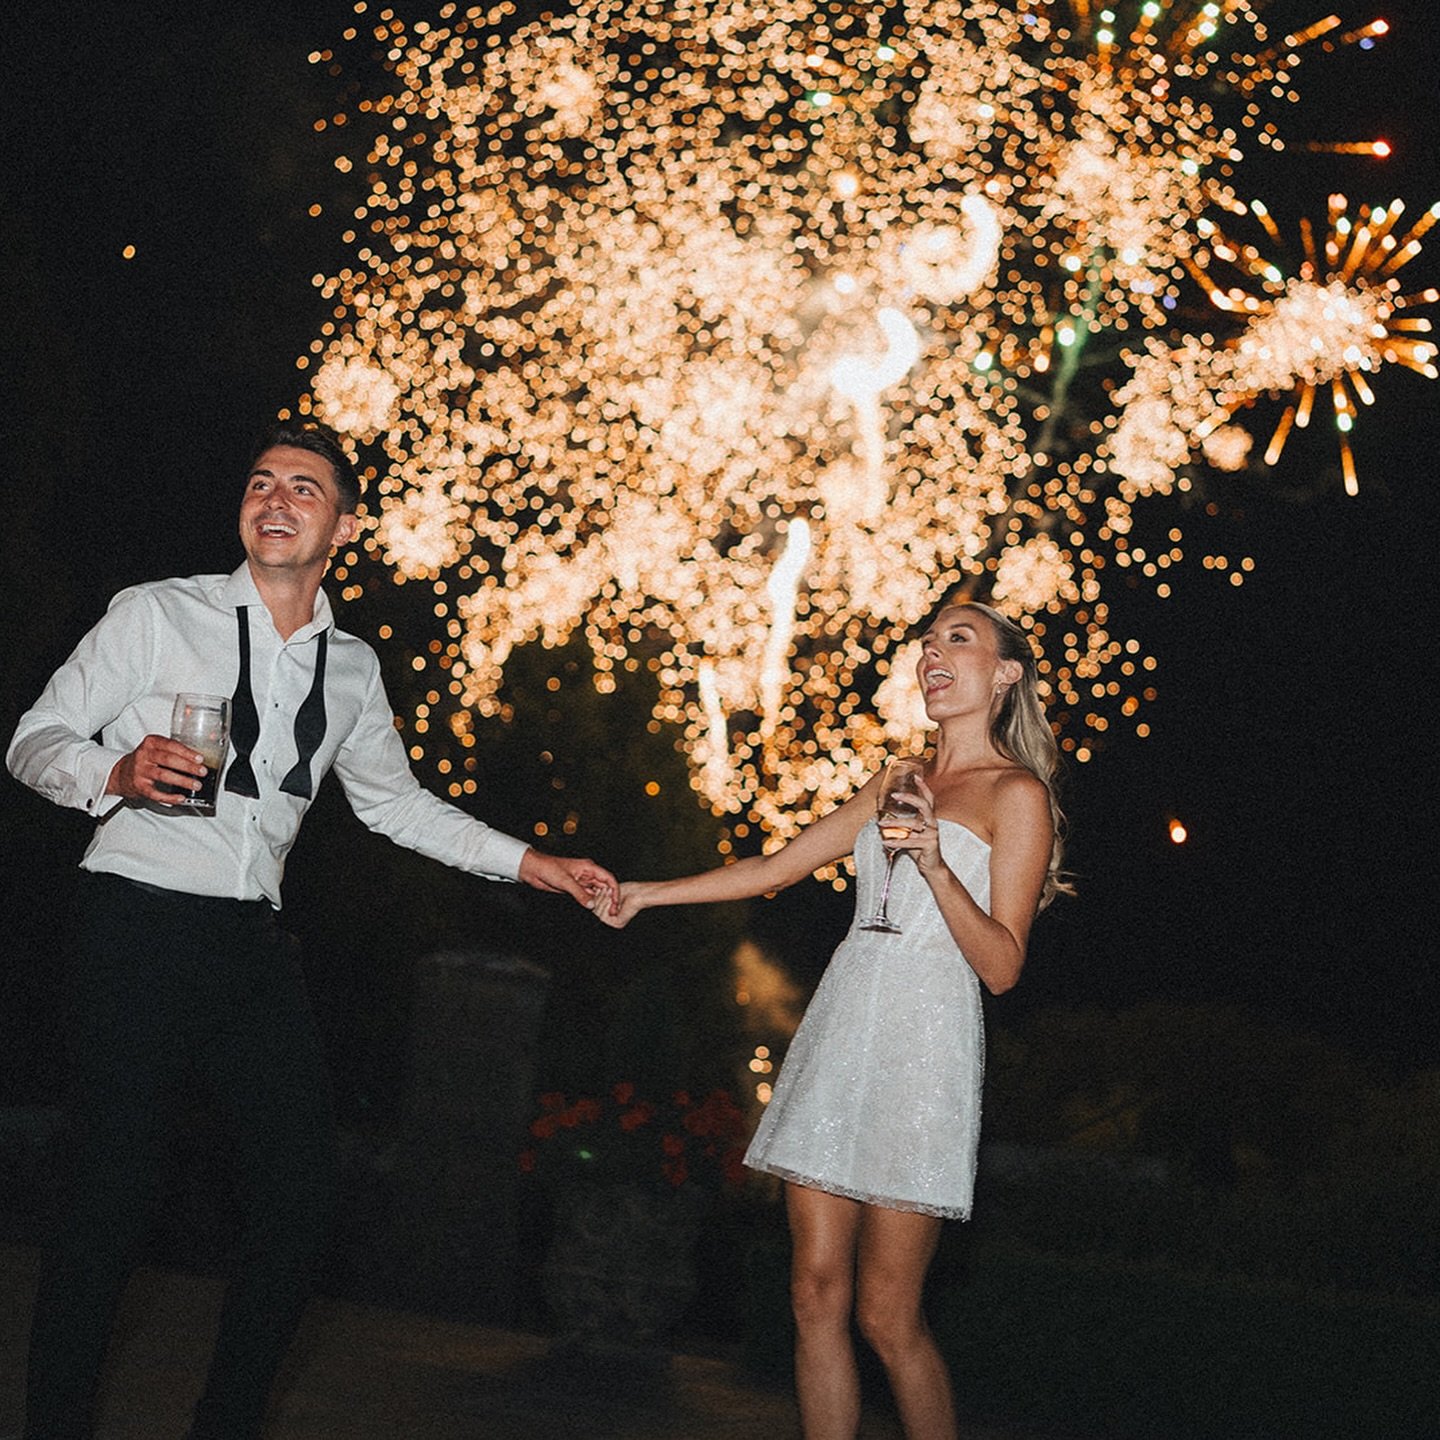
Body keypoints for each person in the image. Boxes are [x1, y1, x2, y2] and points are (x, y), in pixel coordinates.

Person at [6, 421, 617, 1440]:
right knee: (110, 1200)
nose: (275, 499)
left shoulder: (353, 670)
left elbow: (397, 807)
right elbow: (34, 739)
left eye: (302, 487)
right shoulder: (159, 615)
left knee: (299, 1201)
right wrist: (112, 772)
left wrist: (537, 865)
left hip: (249, 944)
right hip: (138, 925)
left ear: (345, 523)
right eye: (259, 483)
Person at [595, 600, 1069, 1440]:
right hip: (844, 1029)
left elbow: (1001, 966)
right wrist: (648, 895)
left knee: (888, 1316)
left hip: (926, 1046)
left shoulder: (1016, 794)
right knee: (813, 1293)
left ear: (1004, 675)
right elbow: (777, 867)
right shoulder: (896, 778)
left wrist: (933, 864)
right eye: (927, 643)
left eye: (959, 640)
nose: (933, 654)